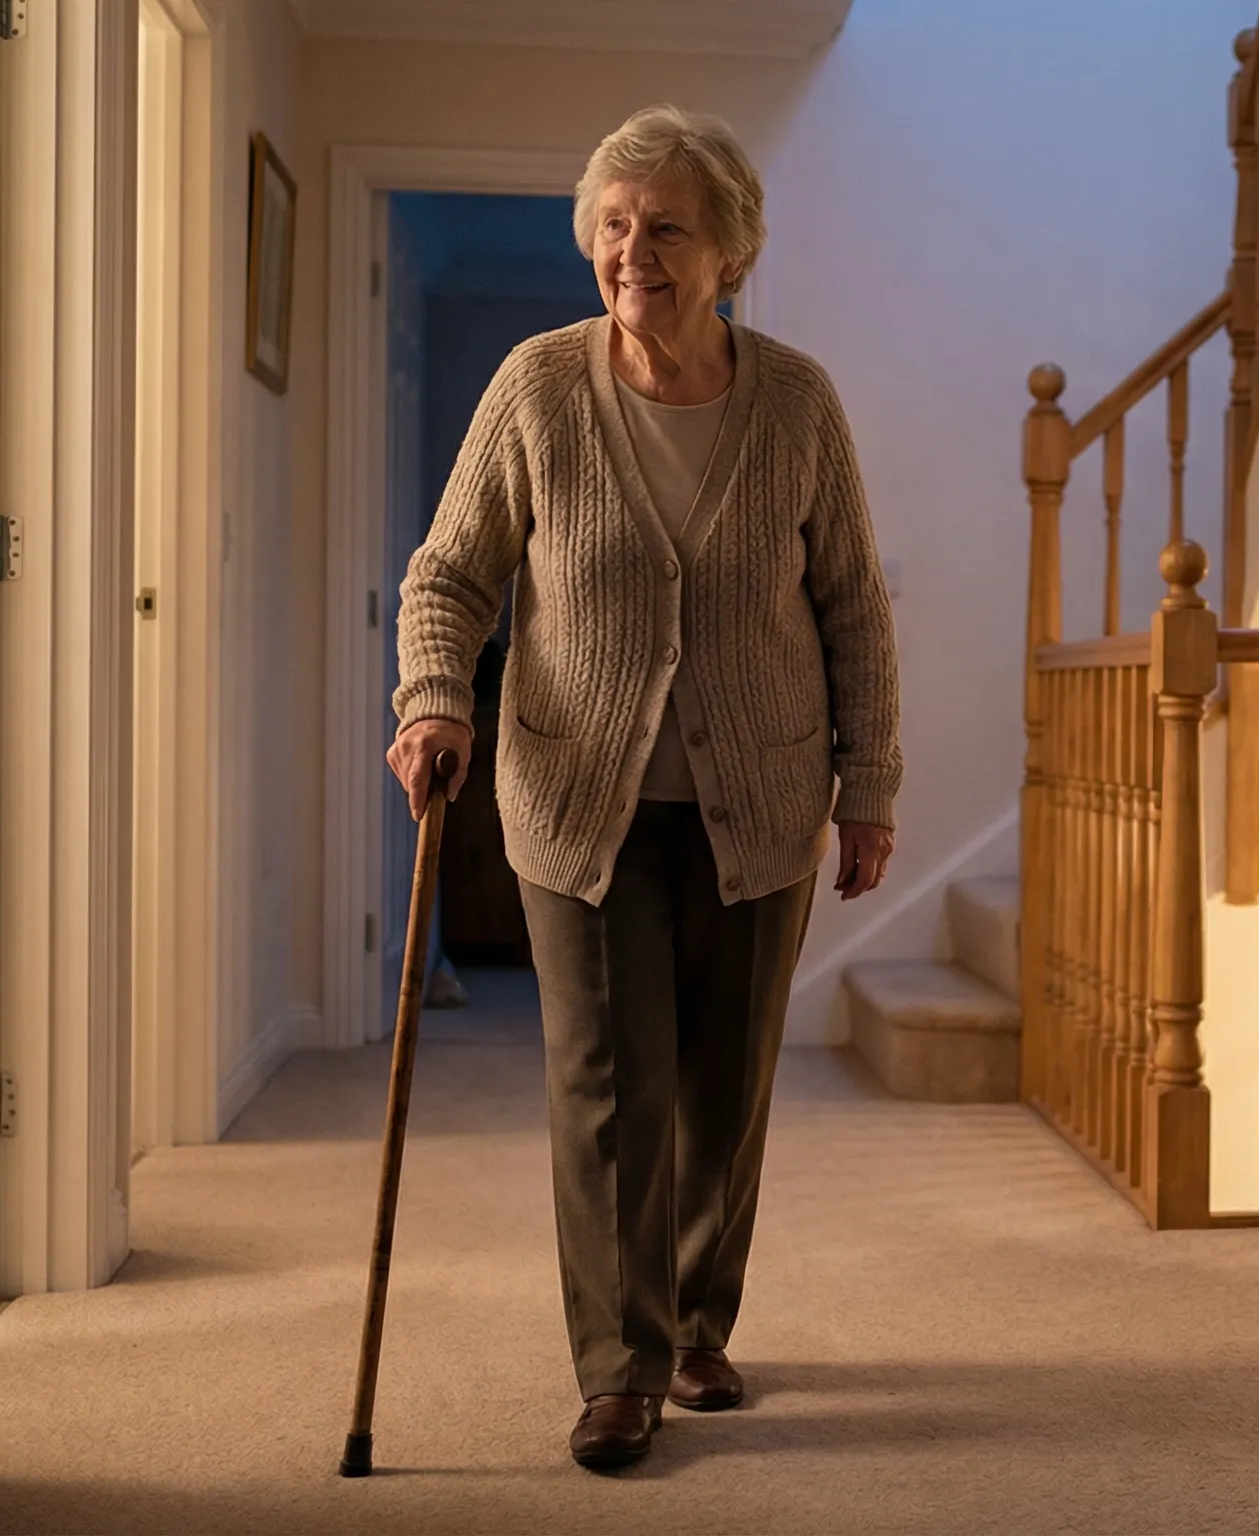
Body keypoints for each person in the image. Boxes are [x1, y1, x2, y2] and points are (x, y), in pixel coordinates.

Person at [385, 103, 901, 1474]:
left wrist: (871, 782)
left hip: (765, 803)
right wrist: (435, 697)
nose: (634, 253)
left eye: (667, 227)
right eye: (613, 226)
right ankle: (617, 1366)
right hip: (577, 803)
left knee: (723, 1091)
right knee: (611, 1086)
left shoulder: (794, 403)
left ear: (731, 248)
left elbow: (852, 605)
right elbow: (450, 574)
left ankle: (694, 1325)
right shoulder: (538, 388)